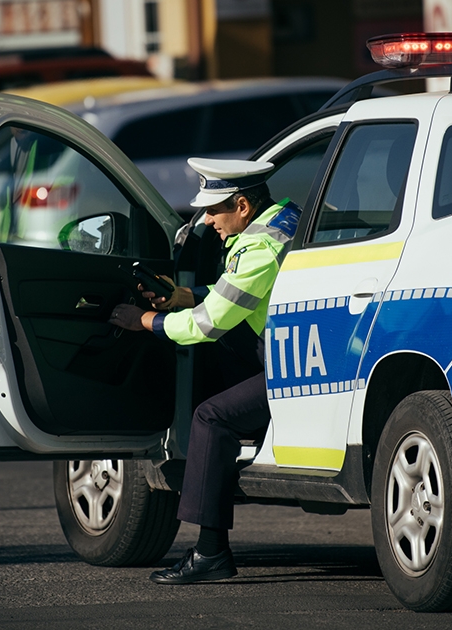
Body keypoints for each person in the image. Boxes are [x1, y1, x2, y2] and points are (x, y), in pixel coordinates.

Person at [108, 158, 302, 585]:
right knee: (219, 365)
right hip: (294, 354)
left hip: (294, 371)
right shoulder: (282, 222)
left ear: (243, 206)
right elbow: (238, 295)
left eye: (215, 210)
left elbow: (206, 324)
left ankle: (211, 552)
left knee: (211, 418)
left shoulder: (260, 248)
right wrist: (181, 296)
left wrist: (145, 323)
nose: (207, 220)